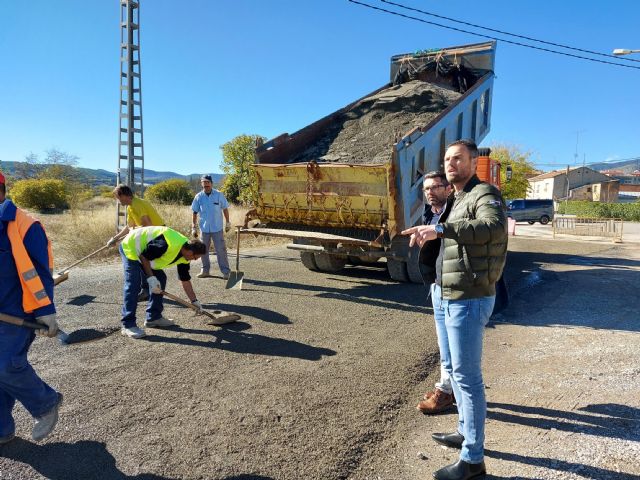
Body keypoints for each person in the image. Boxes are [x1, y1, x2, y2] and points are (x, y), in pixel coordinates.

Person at [402, 140, 507, 480]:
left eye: (458, 158)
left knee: (466, 377)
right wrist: (430, 235)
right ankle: (465, 432)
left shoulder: (484, 194)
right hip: (446, 294)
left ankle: (473, 459)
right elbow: (447, 239)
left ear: (473, 162)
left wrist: (442, 228)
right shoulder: (457, 199)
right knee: (452, 368)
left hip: (469, 297)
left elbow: (492, 228)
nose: (451, 163)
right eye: (447, 159)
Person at [0, 171, 63, 444]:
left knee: (5, 366)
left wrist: (45, 310)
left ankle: (46, 403)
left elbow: (39, 272)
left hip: (17, 312)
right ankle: (2, 428)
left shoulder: (25, 225)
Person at [119, 226, 207, 339]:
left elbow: (185, 279)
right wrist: (151, 278)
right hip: (131, 247)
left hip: (146, 253)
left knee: (160, 278)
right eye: (195, 257)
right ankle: (127, 325)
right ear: (190, 251)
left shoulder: (185, 257)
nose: (194, 260)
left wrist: (194, 301)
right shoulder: (167, 243)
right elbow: (144, 256)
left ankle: (153, 318)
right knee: (133, 283)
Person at [415, 171, 456, 415]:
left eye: (435, 187)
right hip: (437, 285)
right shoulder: (429, 212)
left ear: (448, 188)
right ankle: (447, 389)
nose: (430, 192)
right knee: (444, 344)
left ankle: (447, 393)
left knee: (453, 346)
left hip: (454, 286)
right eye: (426, 188)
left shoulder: (455, 211)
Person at [109, 185, 166, 301]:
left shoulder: (137, 204)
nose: (118, 200)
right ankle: (147, 290)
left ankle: (151, 291)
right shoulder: (130, 207)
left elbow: (148, 225)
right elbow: (129, 226)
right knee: (143, 263)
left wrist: (135, 231)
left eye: (118, 197)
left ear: (124, 196)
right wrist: (115, 238)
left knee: (147, 264)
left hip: (157, 236)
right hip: (148, 235)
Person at [191, 174, 231, 279]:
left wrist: (228, 222)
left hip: (217, 228)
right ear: (201, 184)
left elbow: (225, 208)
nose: (206, 185)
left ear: (211, 183)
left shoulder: (219, 195)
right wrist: (193, 227)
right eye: (204, 183)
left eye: (208, 182)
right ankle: (205, 271)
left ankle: (226, 272)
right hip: (204, 229)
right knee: (203, 250)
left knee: (221, 250)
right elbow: (194, 212)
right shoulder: (198, 197)